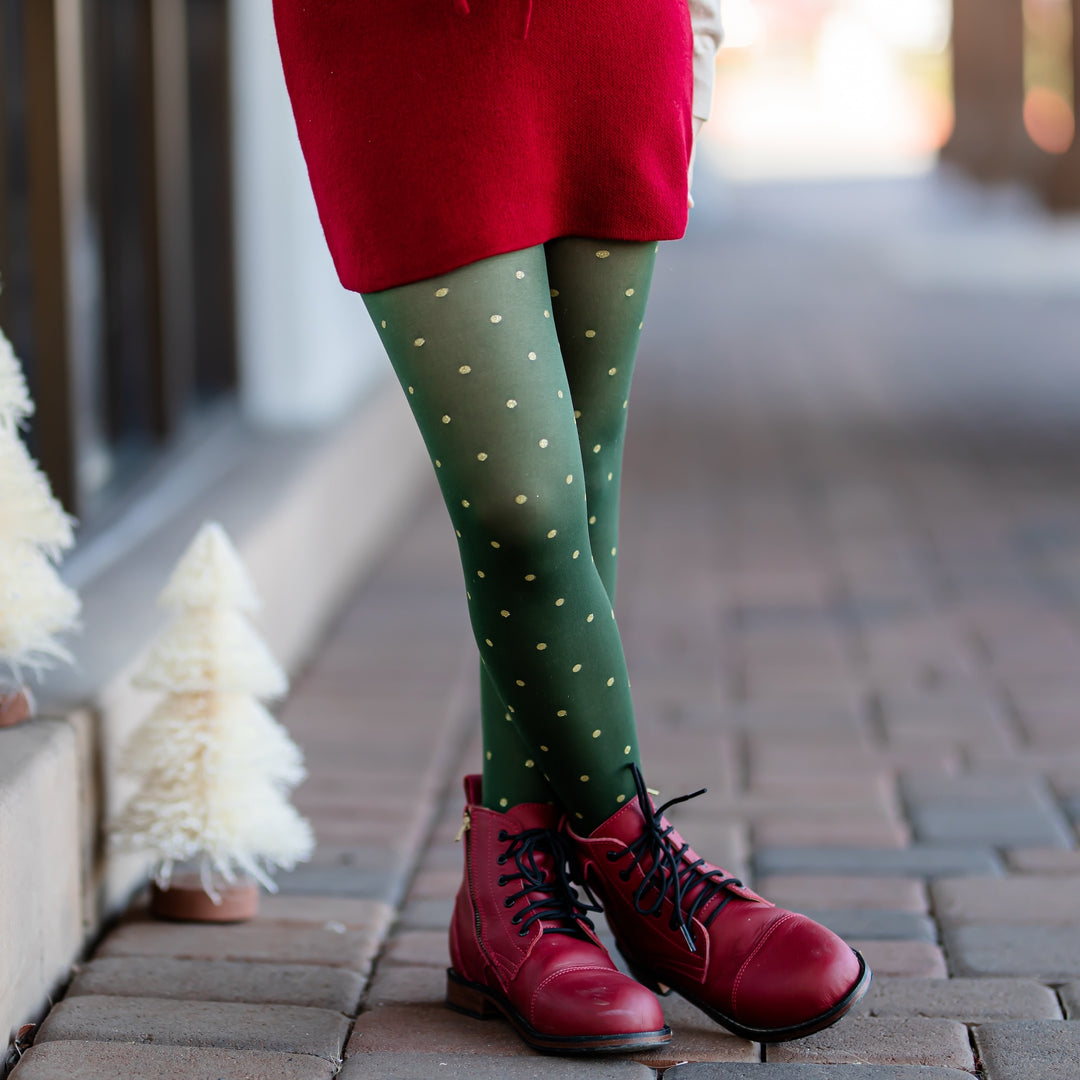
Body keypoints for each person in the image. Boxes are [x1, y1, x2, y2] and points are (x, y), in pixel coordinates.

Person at [273, 0, 870, 1055]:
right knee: (522, 510)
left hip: (611, 30)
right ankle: (652, 878)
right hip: (400, 38)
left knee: (581, 488)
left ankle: (513, 906)